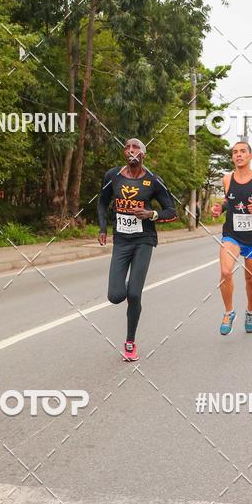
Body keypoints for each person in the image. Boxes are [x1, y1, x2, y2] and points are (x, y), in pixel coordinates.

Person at [97, 138, 177, 361]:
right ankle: (123, 285)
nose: (131, 150)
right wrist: (103, 228)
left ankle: (130, 342)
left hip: (144, 240)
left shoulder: (153, 181)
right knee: (115, 296)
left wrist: (152, 214)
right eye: (127, 147)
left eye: (136, 148)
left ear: (144, 154)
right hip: (121, 240)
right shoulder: (113, 176)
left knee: (134, 293)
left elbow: (172, 211)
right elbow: (102, 203)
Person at [211, 140, 252, 335]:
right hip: (231, 235)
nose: (238, 155)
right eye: (235, 152)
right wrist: (219, 209)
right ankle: (229, 312)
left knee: (250, 279)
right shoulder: (226, 179)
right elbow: (228, 200)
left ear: (250, 156)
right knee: (225, 272)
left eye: (242, 152)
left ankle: (249, 311)